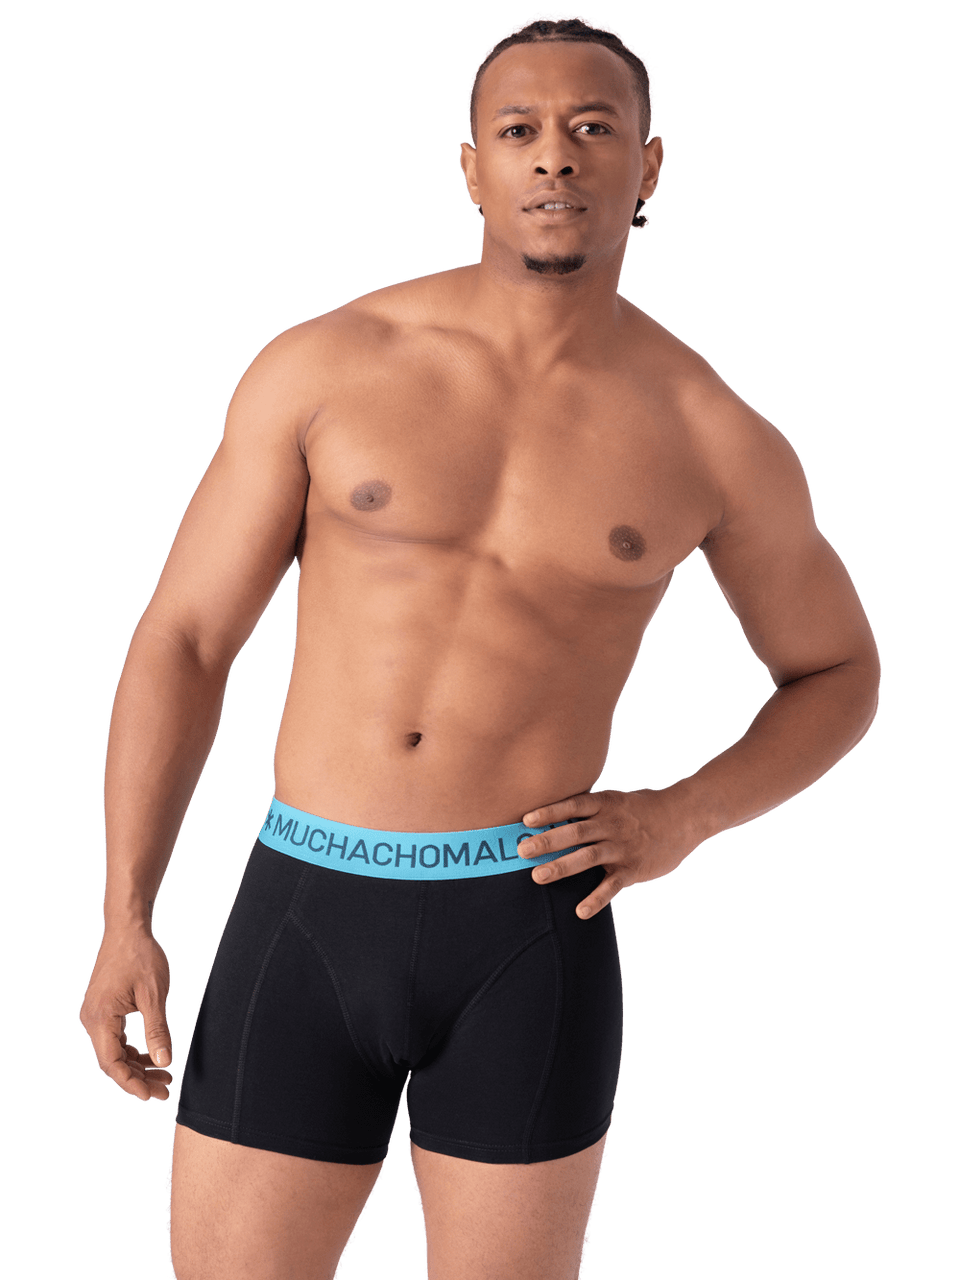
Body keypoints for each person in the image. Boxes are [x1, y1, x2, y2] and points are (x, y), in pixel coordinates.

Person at [78, 13, 881, 1279]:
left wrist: (684, 813)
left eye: (592, 127)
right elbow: (183, 635)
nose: (554, 155)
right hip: (307, 904)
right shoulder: (326, 366)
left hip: (529, 923)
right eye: (520, 130)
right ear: (474, 168)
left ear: (647, 165)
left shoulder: (711, 434)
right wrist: (127, 909)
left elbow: (838, 669)